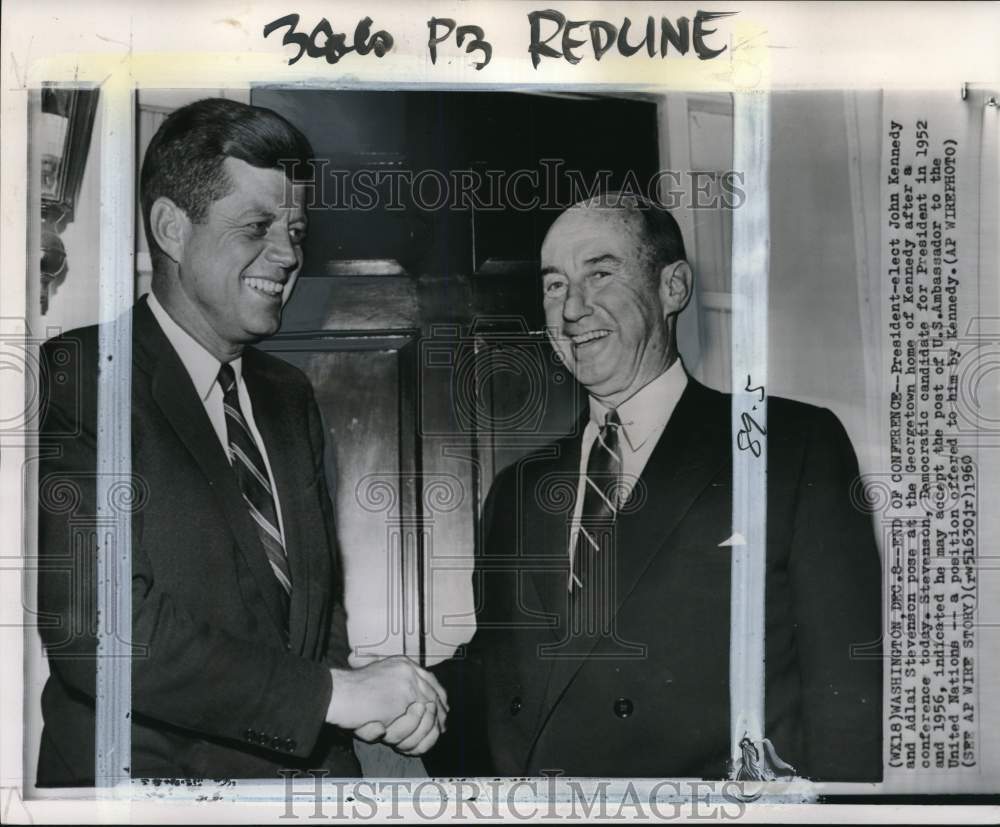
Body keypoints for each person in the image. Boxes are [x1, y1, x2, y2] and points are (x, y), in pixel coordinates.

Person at [35, 98, 446, 786]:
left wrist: (369, 703)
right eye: (258, 225)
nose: (289, 254)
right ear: (172, 228)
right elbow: (100, 631)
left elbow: (315, 614)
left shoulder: (290, 397)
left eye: (295, 228)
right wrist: (337, 696)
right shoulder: (80, 377)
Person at [428, 194, 882, 781]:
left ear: (673, 288)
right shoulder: (518, 489)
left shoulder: (786, 446)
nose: (572, 310)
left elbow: (847, 689)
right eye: (555, 285)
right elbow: (504, 674)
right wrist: (388, 695)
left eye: (600, 273)